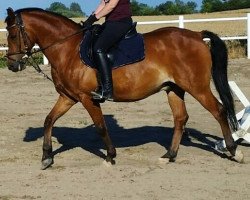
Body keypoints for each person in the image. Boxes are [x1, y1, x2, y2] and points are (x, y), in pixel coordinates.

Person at [83, 0, 133, 101]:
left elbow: (111, 5)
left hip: (121, 22)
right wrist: (89, 19)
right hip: (110, 23)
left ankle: (107, 90)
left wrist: (94, 18)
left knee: (99, 49)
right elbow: (103, 3)